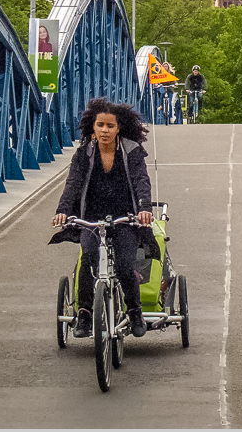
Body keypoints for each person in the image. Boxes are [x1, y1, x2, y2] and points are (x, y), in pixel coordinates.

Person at [51, 98, 157, 338]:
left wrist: (144, 208)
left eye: (110, 126)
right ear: (93, 127)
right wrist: (63, 211)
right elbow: (73, 184)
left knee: (124, 265)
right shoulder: (83, 154)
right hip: (92, 217)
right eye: (100, 125)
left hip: (125, 218)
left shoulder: (131, 151)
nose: (104, 130)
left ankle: (134, 312)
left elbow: (142, 180)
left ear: (118, 128)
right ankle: (85, 314)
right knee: (87, 259)